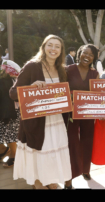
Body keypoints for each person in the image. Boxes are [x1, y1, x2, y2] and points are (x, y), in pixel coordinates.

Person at [9, 34, 72, 189]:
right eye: (50, 45)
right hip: (37, 122)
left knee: (52, 154)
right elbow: (13, 93)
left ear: (61, 50)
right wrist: (30, 88)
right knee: (38, 154)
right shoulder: (32, 66)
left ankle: (50, 180)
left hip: (56, 121)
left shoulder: (62, 70)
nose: (53, 49)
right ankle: (37, 183)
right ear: (44, 47)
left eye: (57, 46)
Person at [63, 44, 99, 189]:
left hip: (88, 113)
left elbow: (97, 95)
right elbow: (62, 90)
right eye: (85, 53)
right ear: (79, 53)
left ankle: (85, 170)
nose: (87, 56)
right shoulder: (68, 70)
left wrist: (101, 110)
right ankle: (68, 178)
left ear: (94, 58)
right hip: (70, 113)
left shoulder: (94, 73)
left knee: (87, 140)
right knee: (71, 142)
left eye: (91, 55)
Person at [0, 60, 21, 168]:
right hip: (1, 104)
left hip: (11, 105)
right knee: (3, 131)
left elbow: (21, 77)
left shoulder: (8, 64)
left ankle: (14, 155)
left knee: (10, 131)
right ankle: (4, 150)